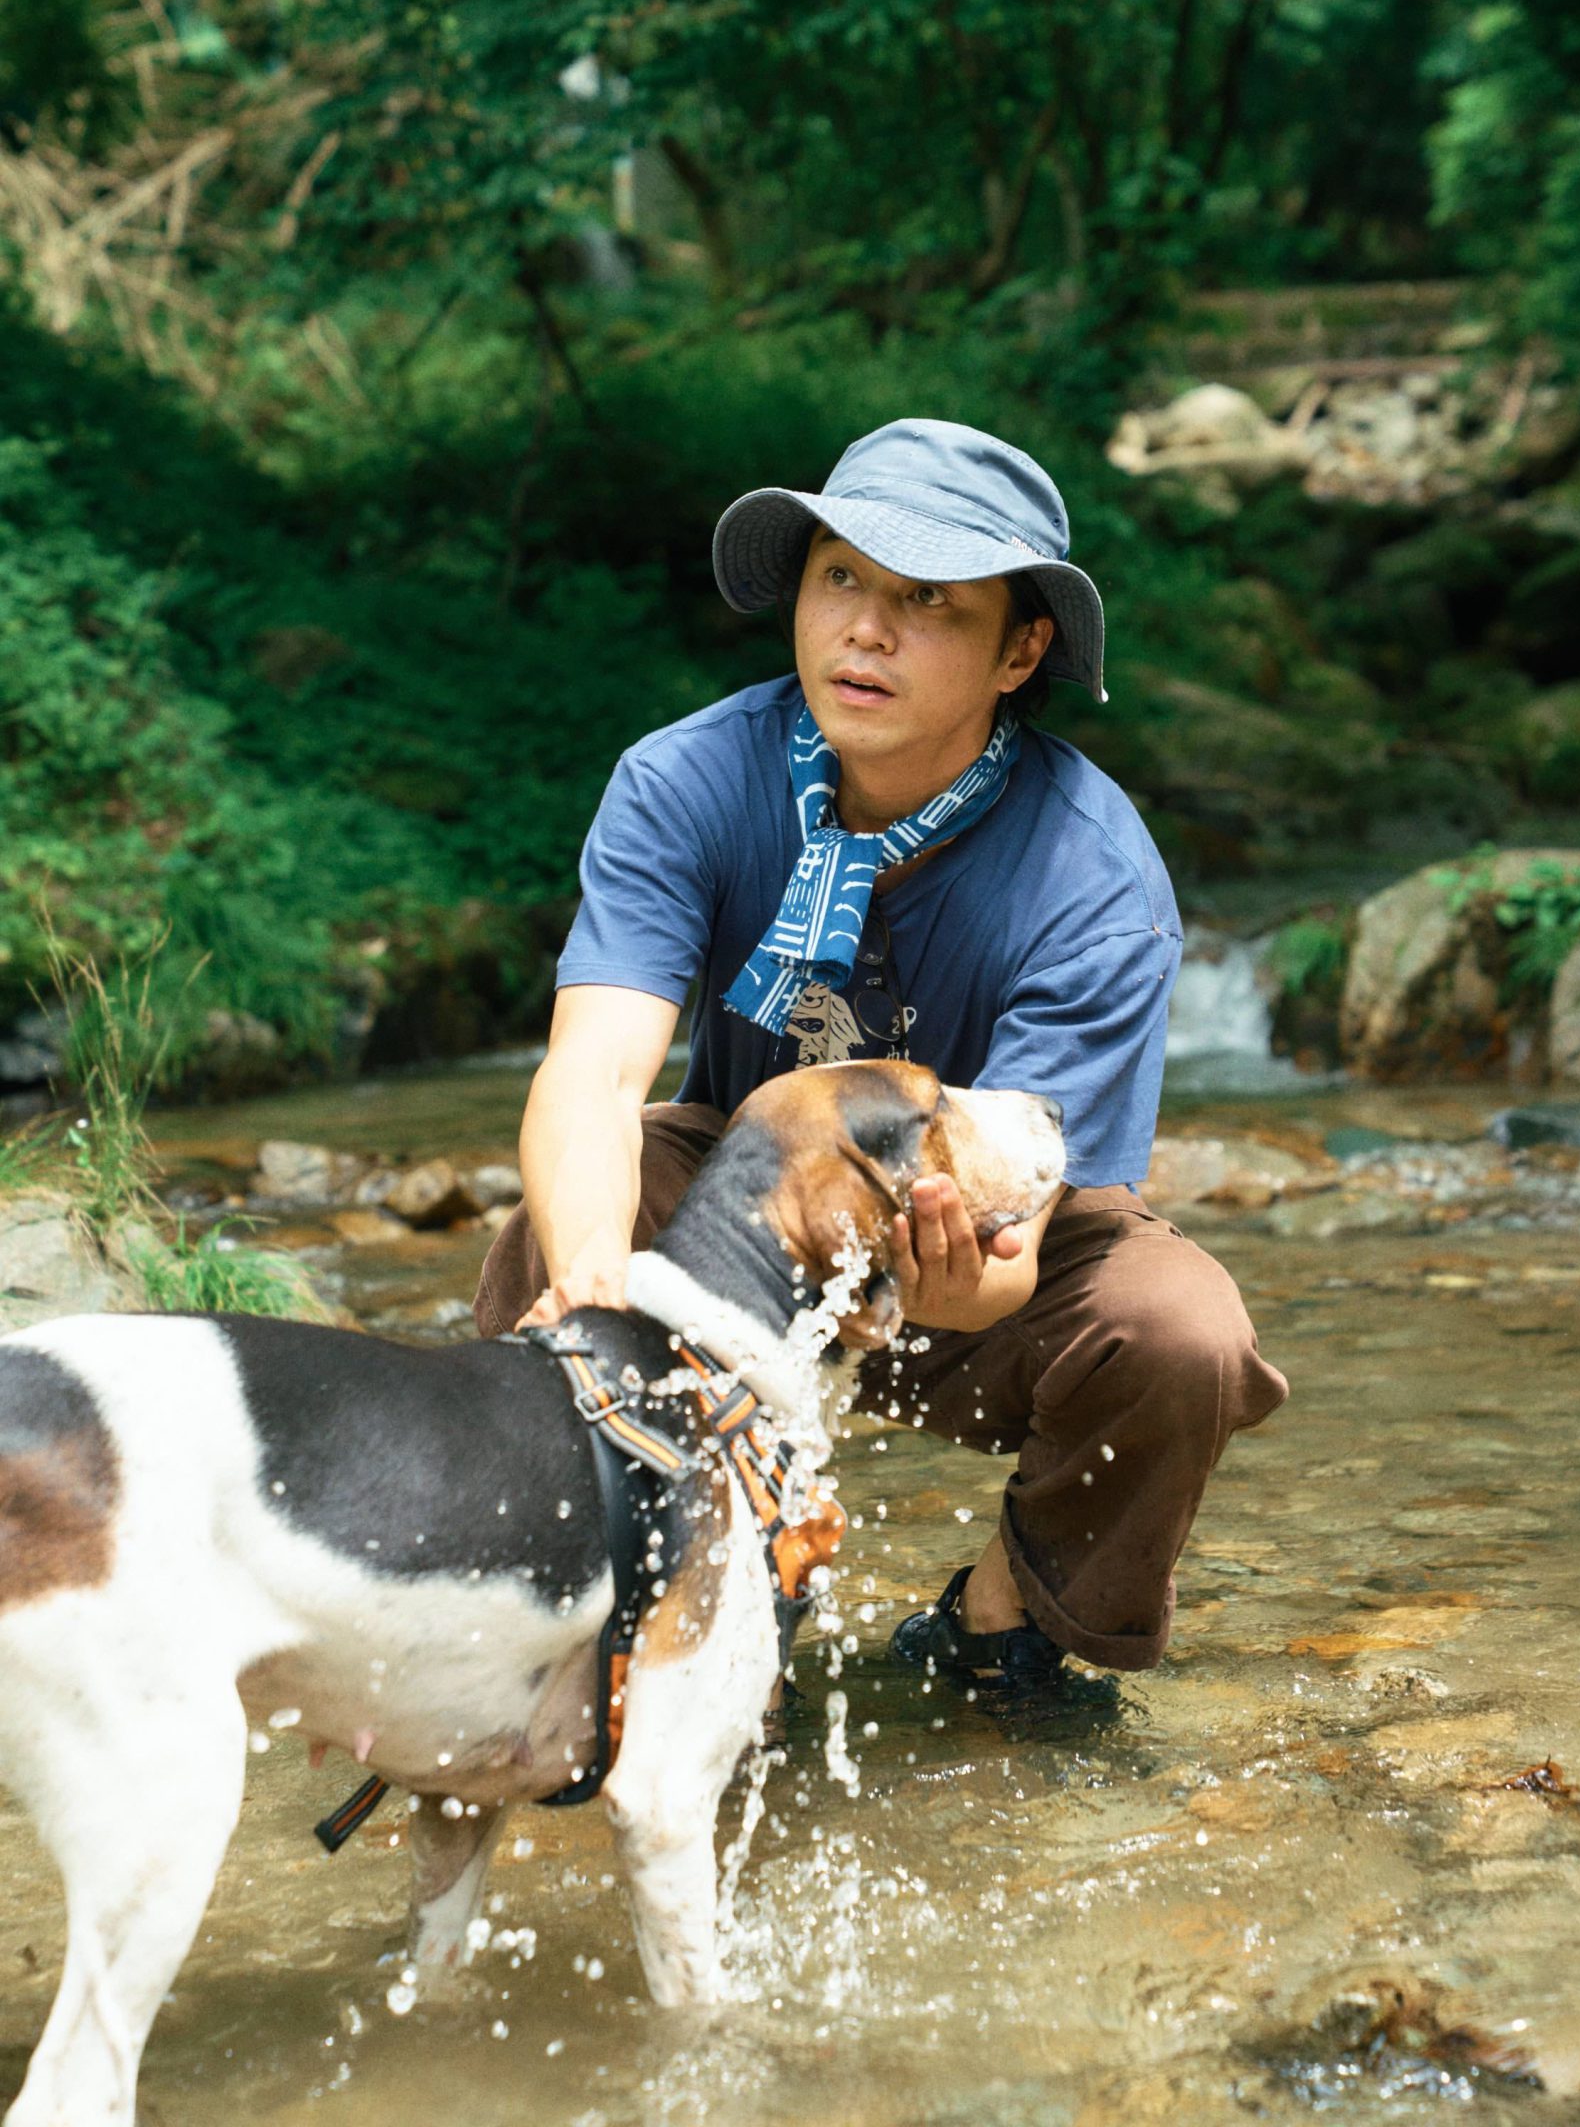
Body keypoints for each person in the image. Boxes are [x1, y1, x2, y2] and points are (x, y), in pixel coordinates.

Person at [474, 416, 1286, 1693]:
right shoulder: (684, 780)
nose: (865, 628)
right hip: (759, 1216)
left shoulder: (1094, 874)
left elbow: (1003, 1273)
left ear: (1020, 651)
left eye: (929, 603)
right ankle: (600, 1620)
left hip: (982, 1250)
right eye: (841, 576)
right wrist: (590, 1290)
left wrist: (945, 1285)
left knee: (1180, 1332)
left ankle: (1003, 1625)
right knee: (580, 1203)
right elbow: (590, 1076)